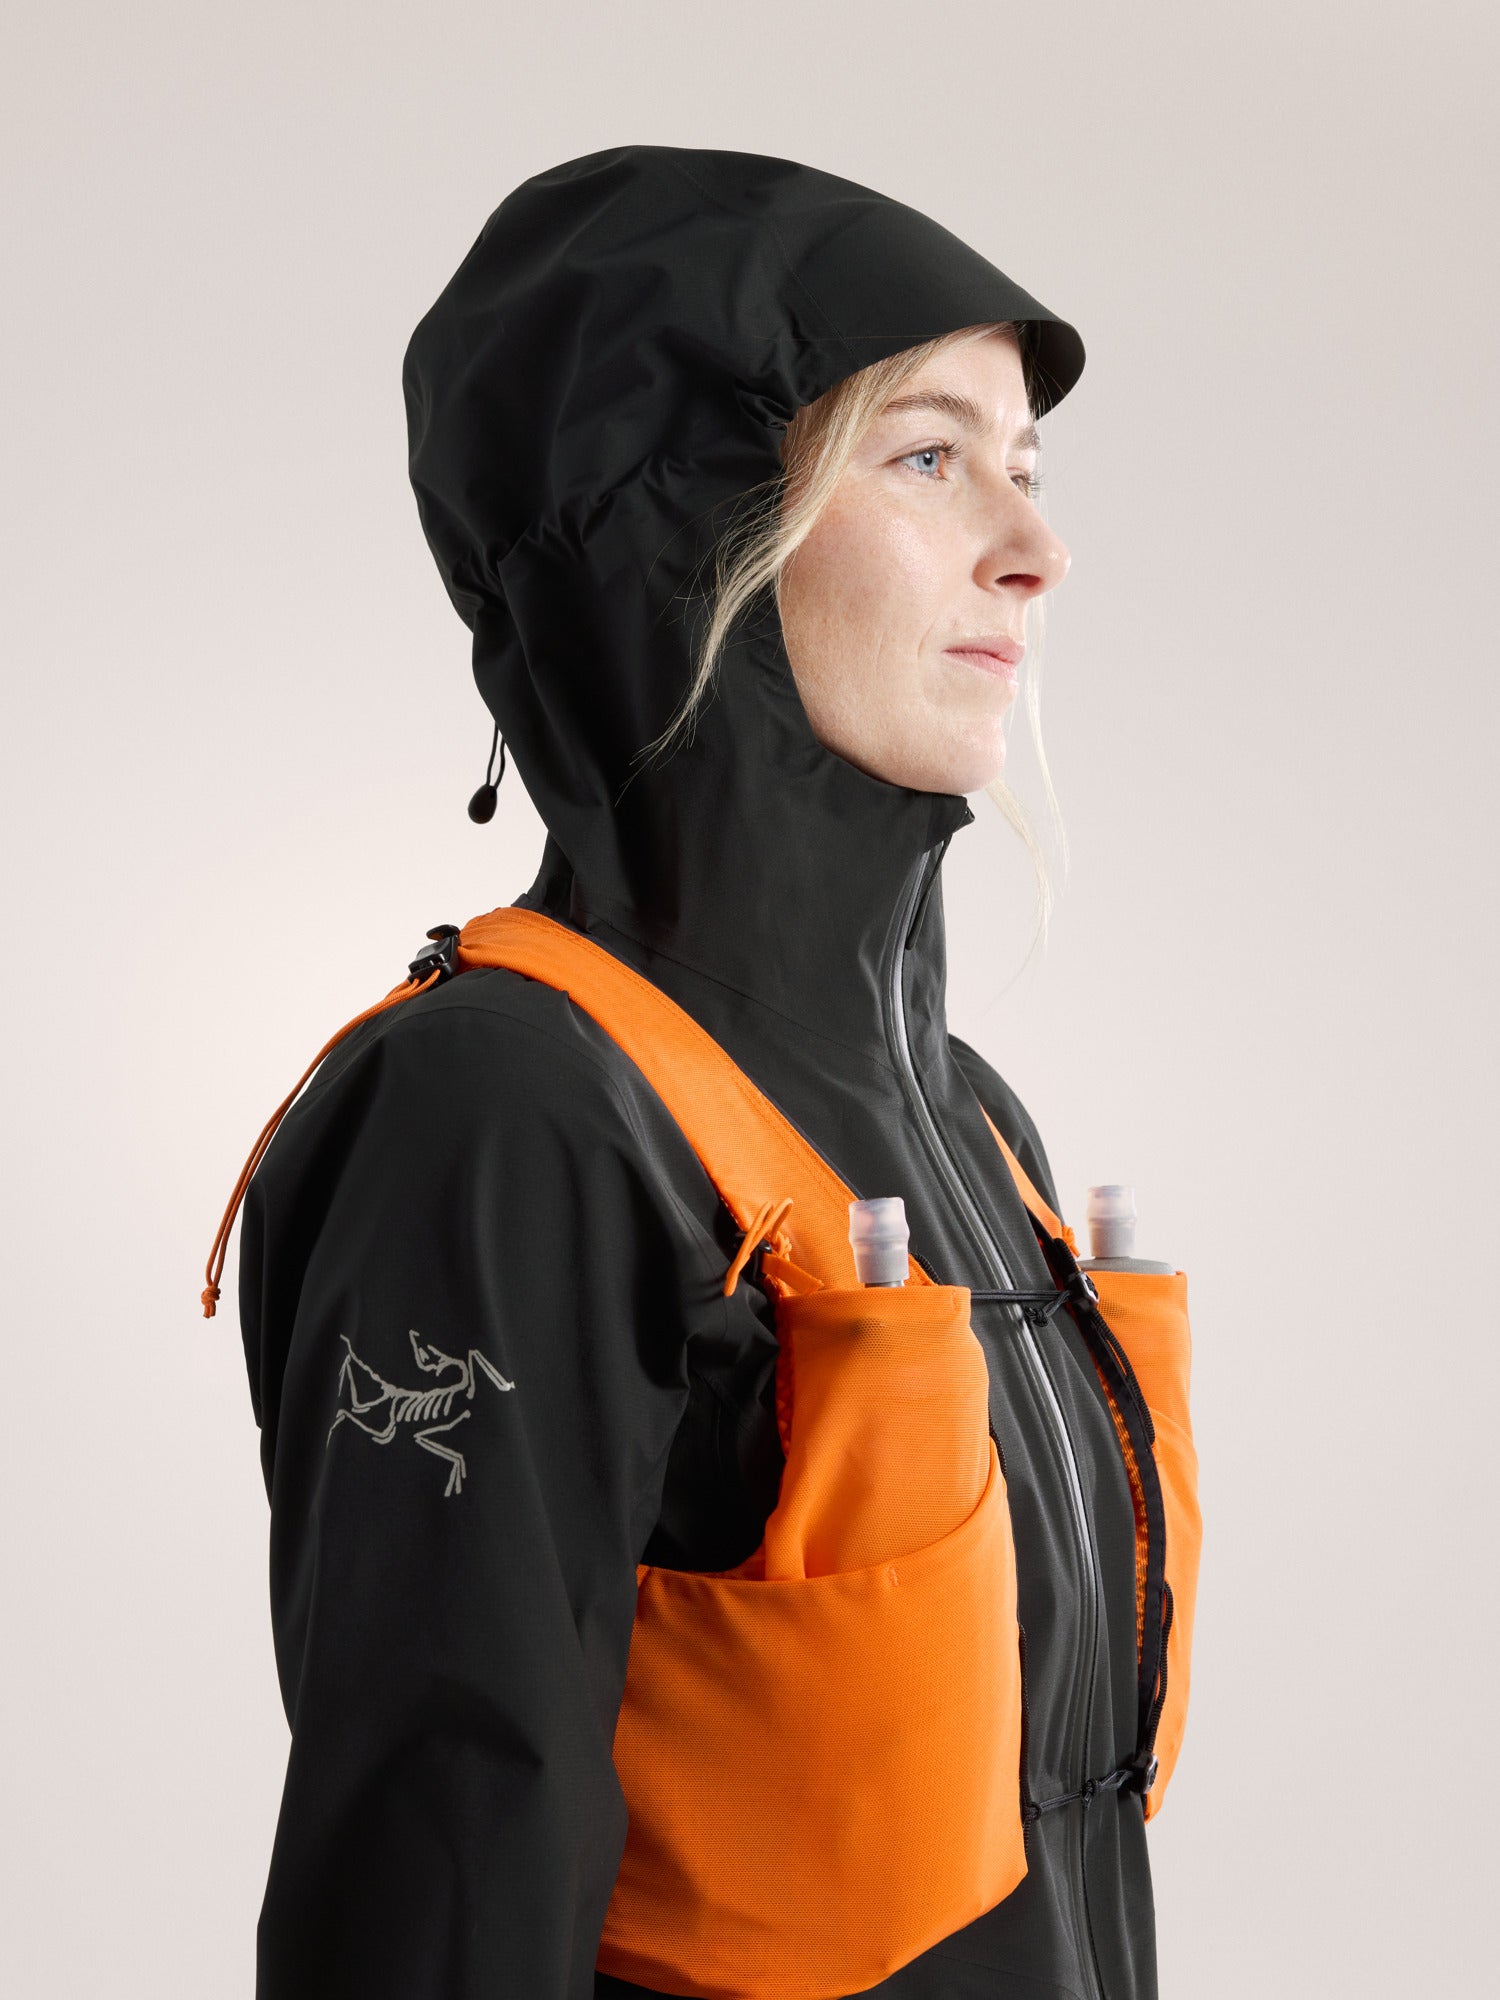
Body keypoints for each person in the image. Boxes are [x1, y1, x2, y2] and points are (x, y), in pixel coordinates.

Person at [224, 144, 1196, 1999]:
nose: (1036, 547)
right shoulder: (503, 1112)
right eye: (928, 458)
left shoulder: (969, 1122)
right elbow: (436, 1896)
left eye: (1029, 465)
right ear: (677, 537)